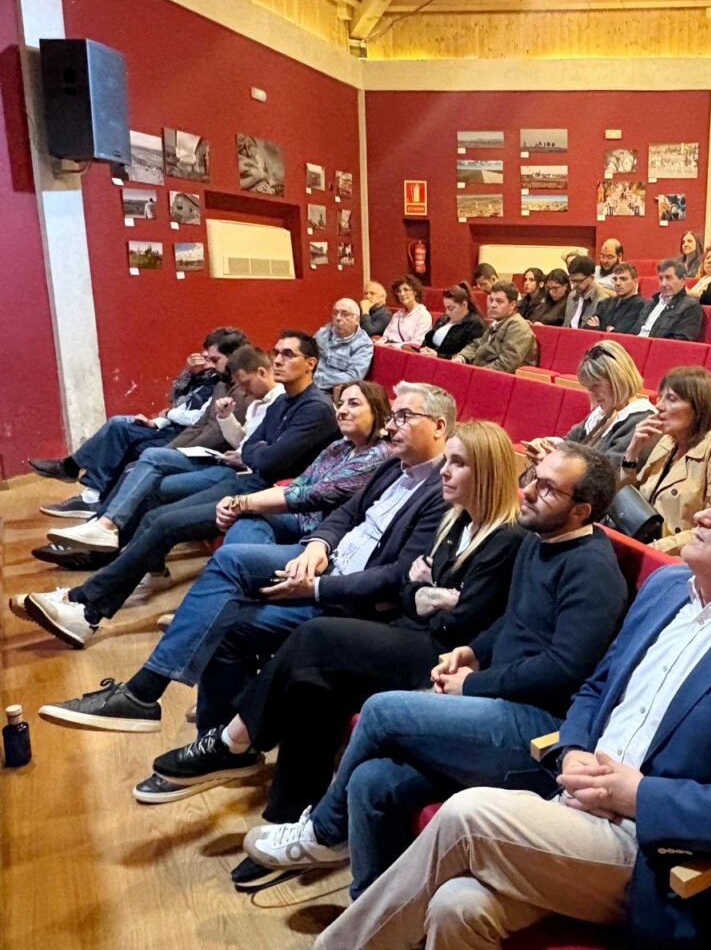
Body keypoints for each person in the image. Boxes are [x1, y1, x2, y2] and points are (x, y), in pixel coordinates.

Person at [309, 462, 711, 950]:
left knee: (468, 812)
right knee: (457, 908)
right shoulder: (668, 587)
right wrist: (570, 752)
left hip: (648, 850)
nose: (700, 514)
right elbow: (596, 686)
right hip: (568, 807)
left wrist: (639, 794)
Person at [239, 442, 629, 901]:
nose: (526, 493)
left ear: (581, 510)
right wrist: (471, 651)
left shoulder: (592, 570)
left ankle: (323, 833)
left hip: (540, 732)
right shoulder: (539, 540)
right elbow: (514, 622)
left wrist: (472, 684)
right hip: (496, 705)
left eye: (547, 489)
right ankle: (373, 913)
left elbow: (565, 670)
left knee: (380, 712)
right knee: (372, 782)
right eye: (532, 478)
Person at [139, 421, 526, 836]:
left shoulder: (505, 536)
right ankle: (287, 817)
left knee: (317, 635)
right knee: (314, 683)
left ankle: (233, 740)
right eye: (446, 461)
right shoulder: (457, 521)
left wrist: (430, 593)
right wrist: (430, 592)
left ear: (486, 472)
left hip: (441, 655)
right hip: (412, 629)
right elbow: (416, 588)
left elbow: (458, 617)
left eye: (459, 464)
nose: (445, 472)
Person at [36, 382, 454, 734]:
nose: (391, 426)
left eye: (403, 417)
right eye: (393, 416)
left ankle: (150, 695)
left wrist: (316, 579)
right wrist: (318, 547)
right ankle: (176, 706)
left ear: (438, 426)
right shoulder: (390, 466)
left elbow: (385, 564)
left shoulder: (427, 482)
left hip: (341, 583)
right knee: (216, 543)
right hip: (318, 550)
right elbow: (340, 510)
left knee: (223, 574)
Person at [19, 382, 392, 650]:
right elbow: (273, 463)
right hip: (290, 512)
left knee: (173, 522)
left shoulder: (375, 456)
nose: (342, 410)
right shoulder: (338, 447)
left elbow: (308, 491)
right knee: (167, 507)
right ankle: (95, 597)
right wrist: (247, 499)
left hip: (316, 533)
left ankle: (90, 604)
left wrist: (243, 501)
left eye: (354, 405)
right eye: (341, 403)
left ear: (379, 413)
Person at [46, 334, 338, 556]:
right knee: (139, 458)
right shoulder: (232, 387)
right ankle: (100, 528)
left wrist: (181, 442)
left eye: (214, 360)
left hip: (235, 471)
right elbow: (204, 417)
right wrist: (189, 386)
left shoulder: (279, 400)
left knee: (150, 467)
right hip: (217, 456)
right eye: (277, 353)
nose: (277, 360)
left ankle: (101, 526)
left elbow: (250, 450)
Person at [30, 328, 248, 511]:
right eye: (207, 356)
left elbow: (199, 421)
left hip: (185, 434)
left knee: (136, 448)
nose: (207, 361)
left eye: (213, 358)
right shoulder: (215, 378)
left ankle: (96, 504)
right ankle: (84, 487)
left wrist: (167, 428)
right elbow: (175, 397)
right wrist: (189, 372)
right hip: (172, 428)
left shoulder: (231, 386)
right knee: (120, 425)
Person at [621, 366, 711, 554]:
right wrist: (632, 452)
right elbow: (627, 499)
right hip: (640, 541)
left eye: (671, 399)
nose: (659, 406)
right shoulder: (668, 441)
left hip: (678, 556)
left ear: (699, 407)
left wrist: (654, 549)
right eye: (660, 397)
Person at [524, 341, 657, 468]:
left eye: (595, 386)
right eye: (588, 388)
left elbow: (610, 474)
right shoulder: (606, 410)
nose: (592, 395)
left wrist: (555, 460)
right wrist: (545, 445)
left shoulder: (640, 419)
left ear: (617, 381)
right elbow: (570, 441)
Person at [457, 282, 539, 372]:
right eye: (491, 300)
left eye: (499, 301)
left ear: (512, 305)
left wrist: (475, 374)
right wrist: (461, 357)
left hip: (502, 380)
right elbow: (477, 344)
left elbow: (507, 363)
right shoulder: (498, 322)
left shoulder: (518, 327)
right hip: (482, 371)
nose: (493, 305)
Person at [616, 260, 703, 341]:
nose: (663, 283)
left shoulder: (690, 307)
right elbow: (634, 331)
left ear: (683, 280)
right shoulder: (651, 302)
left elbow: (680, 343)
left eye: (668, 278)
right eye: (661, 278)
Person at [314, 298, 374, 391]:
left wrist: (317, 379)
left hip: (329, 390)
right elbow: (306, 356)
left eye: (345, 314)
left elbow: (354, 376)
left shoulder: (364, 344)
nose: (338, 318)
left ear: (357, 319)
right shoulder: (323, 333)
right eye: (335, 313)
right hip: (306, 384)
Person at [419, 283, 486, 359]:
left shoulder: (476, 325)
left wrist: (438, 356)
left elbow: (469, 355)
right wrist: (424, 349)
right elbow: (428, 339)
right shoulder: (443, 319)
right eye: (446, 308)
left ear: (464, 305)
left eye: (451, 308)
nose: (447, 312)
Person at [589, 263, 646, 332]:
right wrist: (606, 330)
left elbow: (619, 333)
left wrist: (598, 328)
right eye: (615, 279)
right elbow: (588, 326)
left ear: (635, 281)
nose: (617, 283)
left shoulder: (640, 305)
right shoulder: (606, 302)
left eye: (623, 279)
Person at [564, 255, 613, 329]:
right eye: (572, 281)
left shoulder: (602, 300)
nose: (574, 285)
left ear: (592, 277)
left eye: (579, 281)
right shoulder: (572, 296)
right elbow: (565, 325)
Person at [381, 278, 432, 348]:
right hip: (389, 351)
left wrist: (393, 346)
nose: (401, 294)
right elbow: (385, 337)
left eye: (406, 289)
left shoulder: (423, 315)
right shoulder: (397, 315)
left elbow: (417, 343)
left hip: (406, 355)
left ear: (415, 292)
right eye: (398, 291)